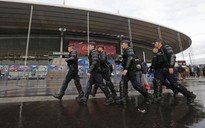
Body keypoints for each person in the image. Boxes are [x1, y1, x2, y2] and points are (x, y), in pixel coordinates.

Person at [153, 38, 196, 103]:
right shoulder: (159, 51)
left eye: (155, 43)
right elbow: (159, 61)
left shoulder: (166, 47)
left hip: (168, 68)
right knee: (157, 80)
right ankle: (158, 97)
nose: (154, 44)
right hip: (163, 69)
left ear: (159, 42)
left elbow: (172, 56)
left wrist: (171, 67)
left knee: (174, 84)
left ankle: (190, 95)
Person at [116, 40, 153, 105]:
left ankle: (149, 96)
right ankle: (123, 99)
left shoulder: (129, 50)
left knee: (136, 85)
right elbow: (126, 60)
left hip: (131, 70)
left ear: (126, 44)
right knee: (122, 83)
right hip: (128, 70)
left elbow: (130, 59)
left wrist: (126, 69)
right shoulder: (126, 51)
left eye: (122, 44)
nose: (121, 45)